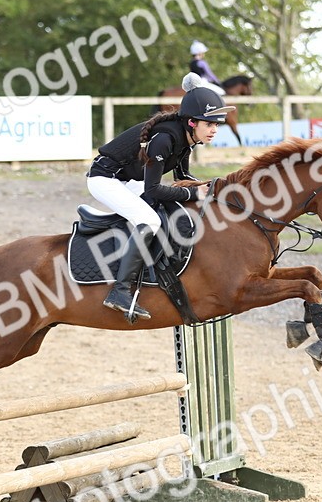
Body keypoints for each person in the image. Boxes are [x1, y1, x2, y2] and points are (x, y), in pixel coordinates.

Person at [86, 73, 233, 323]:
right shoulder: (164, 139)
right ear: (191, 123)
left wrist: (212, 188)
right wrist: (194, 192)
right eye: (210, 124)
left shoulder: (187, 139)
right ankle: (119, 292)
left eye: (217, 125)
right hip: (105, 180)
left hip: (129, 181)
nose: (214, 130)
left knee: (174, 205)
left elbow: (183, 175)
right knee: (150, 220)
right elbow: (153, 189)